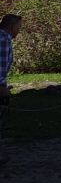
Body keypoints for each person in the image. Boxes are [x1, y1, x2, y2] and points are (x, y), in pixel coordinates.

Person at [0, 14, 22, 167]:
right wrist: (1, 86)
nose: (19, 30)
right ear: (13, 26)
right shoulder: (3, 40)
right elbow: (0, 65)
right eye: (19, 27)